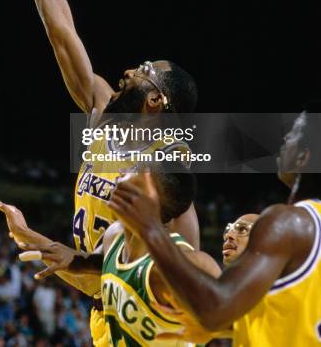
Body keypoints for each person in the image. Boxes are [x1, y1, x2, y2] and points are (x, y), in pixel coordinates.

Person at [0, 0, 200, 343]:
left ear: (158, 102)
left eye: (143, 71)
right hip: (103, 318)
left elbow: (193, 287)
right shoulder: (100, 115)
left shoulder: (168, 170)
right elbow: (60, 30)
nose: (128, 70)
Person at [107, 110, 321, 346]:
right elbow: (293, 315)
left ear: (303, 158)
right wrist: (228, 328)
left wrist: (150, 228)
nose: (284, 139)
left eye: (292, 134)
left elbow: (214, 310)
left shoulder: (289, 222)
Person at [18, 168, 223, 346]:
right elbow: (94, 263)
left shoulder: (189, 263)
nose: (121, 173)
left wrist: (215, 328)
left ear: (148, 196)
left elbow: (236, 315)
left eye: (132, 173)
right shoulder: (114, 234)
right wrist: (66, 257)